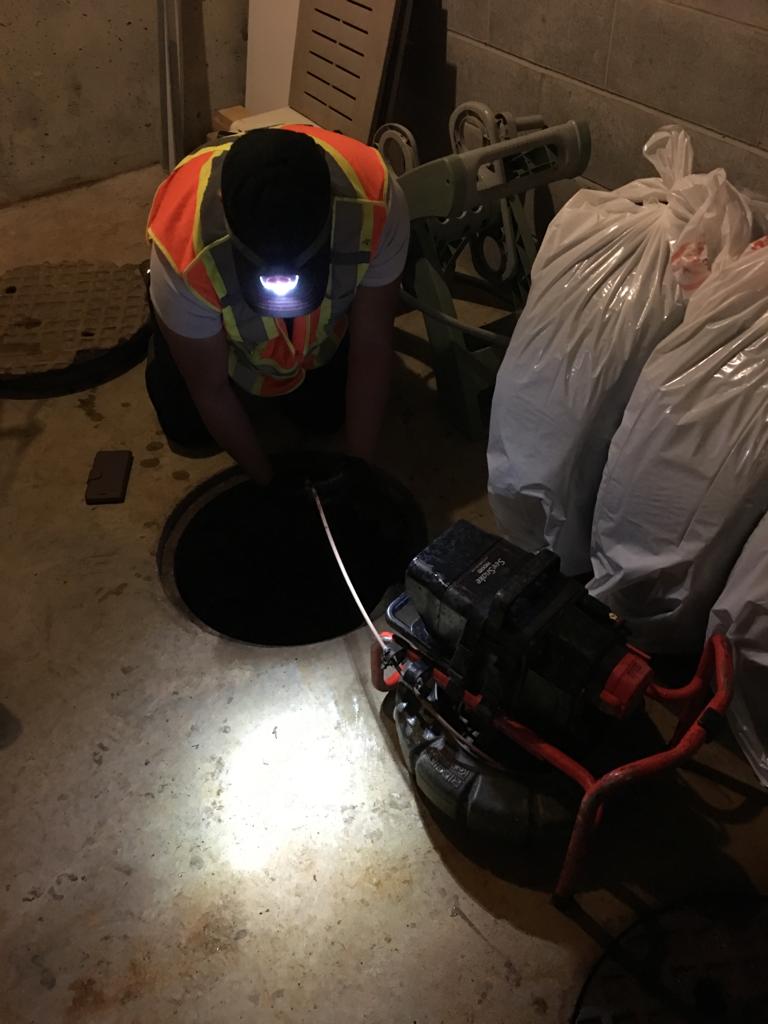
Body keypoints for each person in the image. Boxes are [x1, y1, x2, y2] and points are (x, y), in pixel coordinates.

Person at [145, 124, 410, 485]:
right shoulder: (182, 246)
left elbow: (372, 346)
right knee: (187, 425)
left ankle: (287, 371)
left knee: (325, 418)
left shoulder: (377, 198)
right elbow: (211, 388)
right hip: (214, 326)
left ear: (331, 202)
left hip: (316, 338)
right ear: (223, 205)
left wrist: (358, 472)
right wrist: (266, 481)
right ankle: (170, 337)